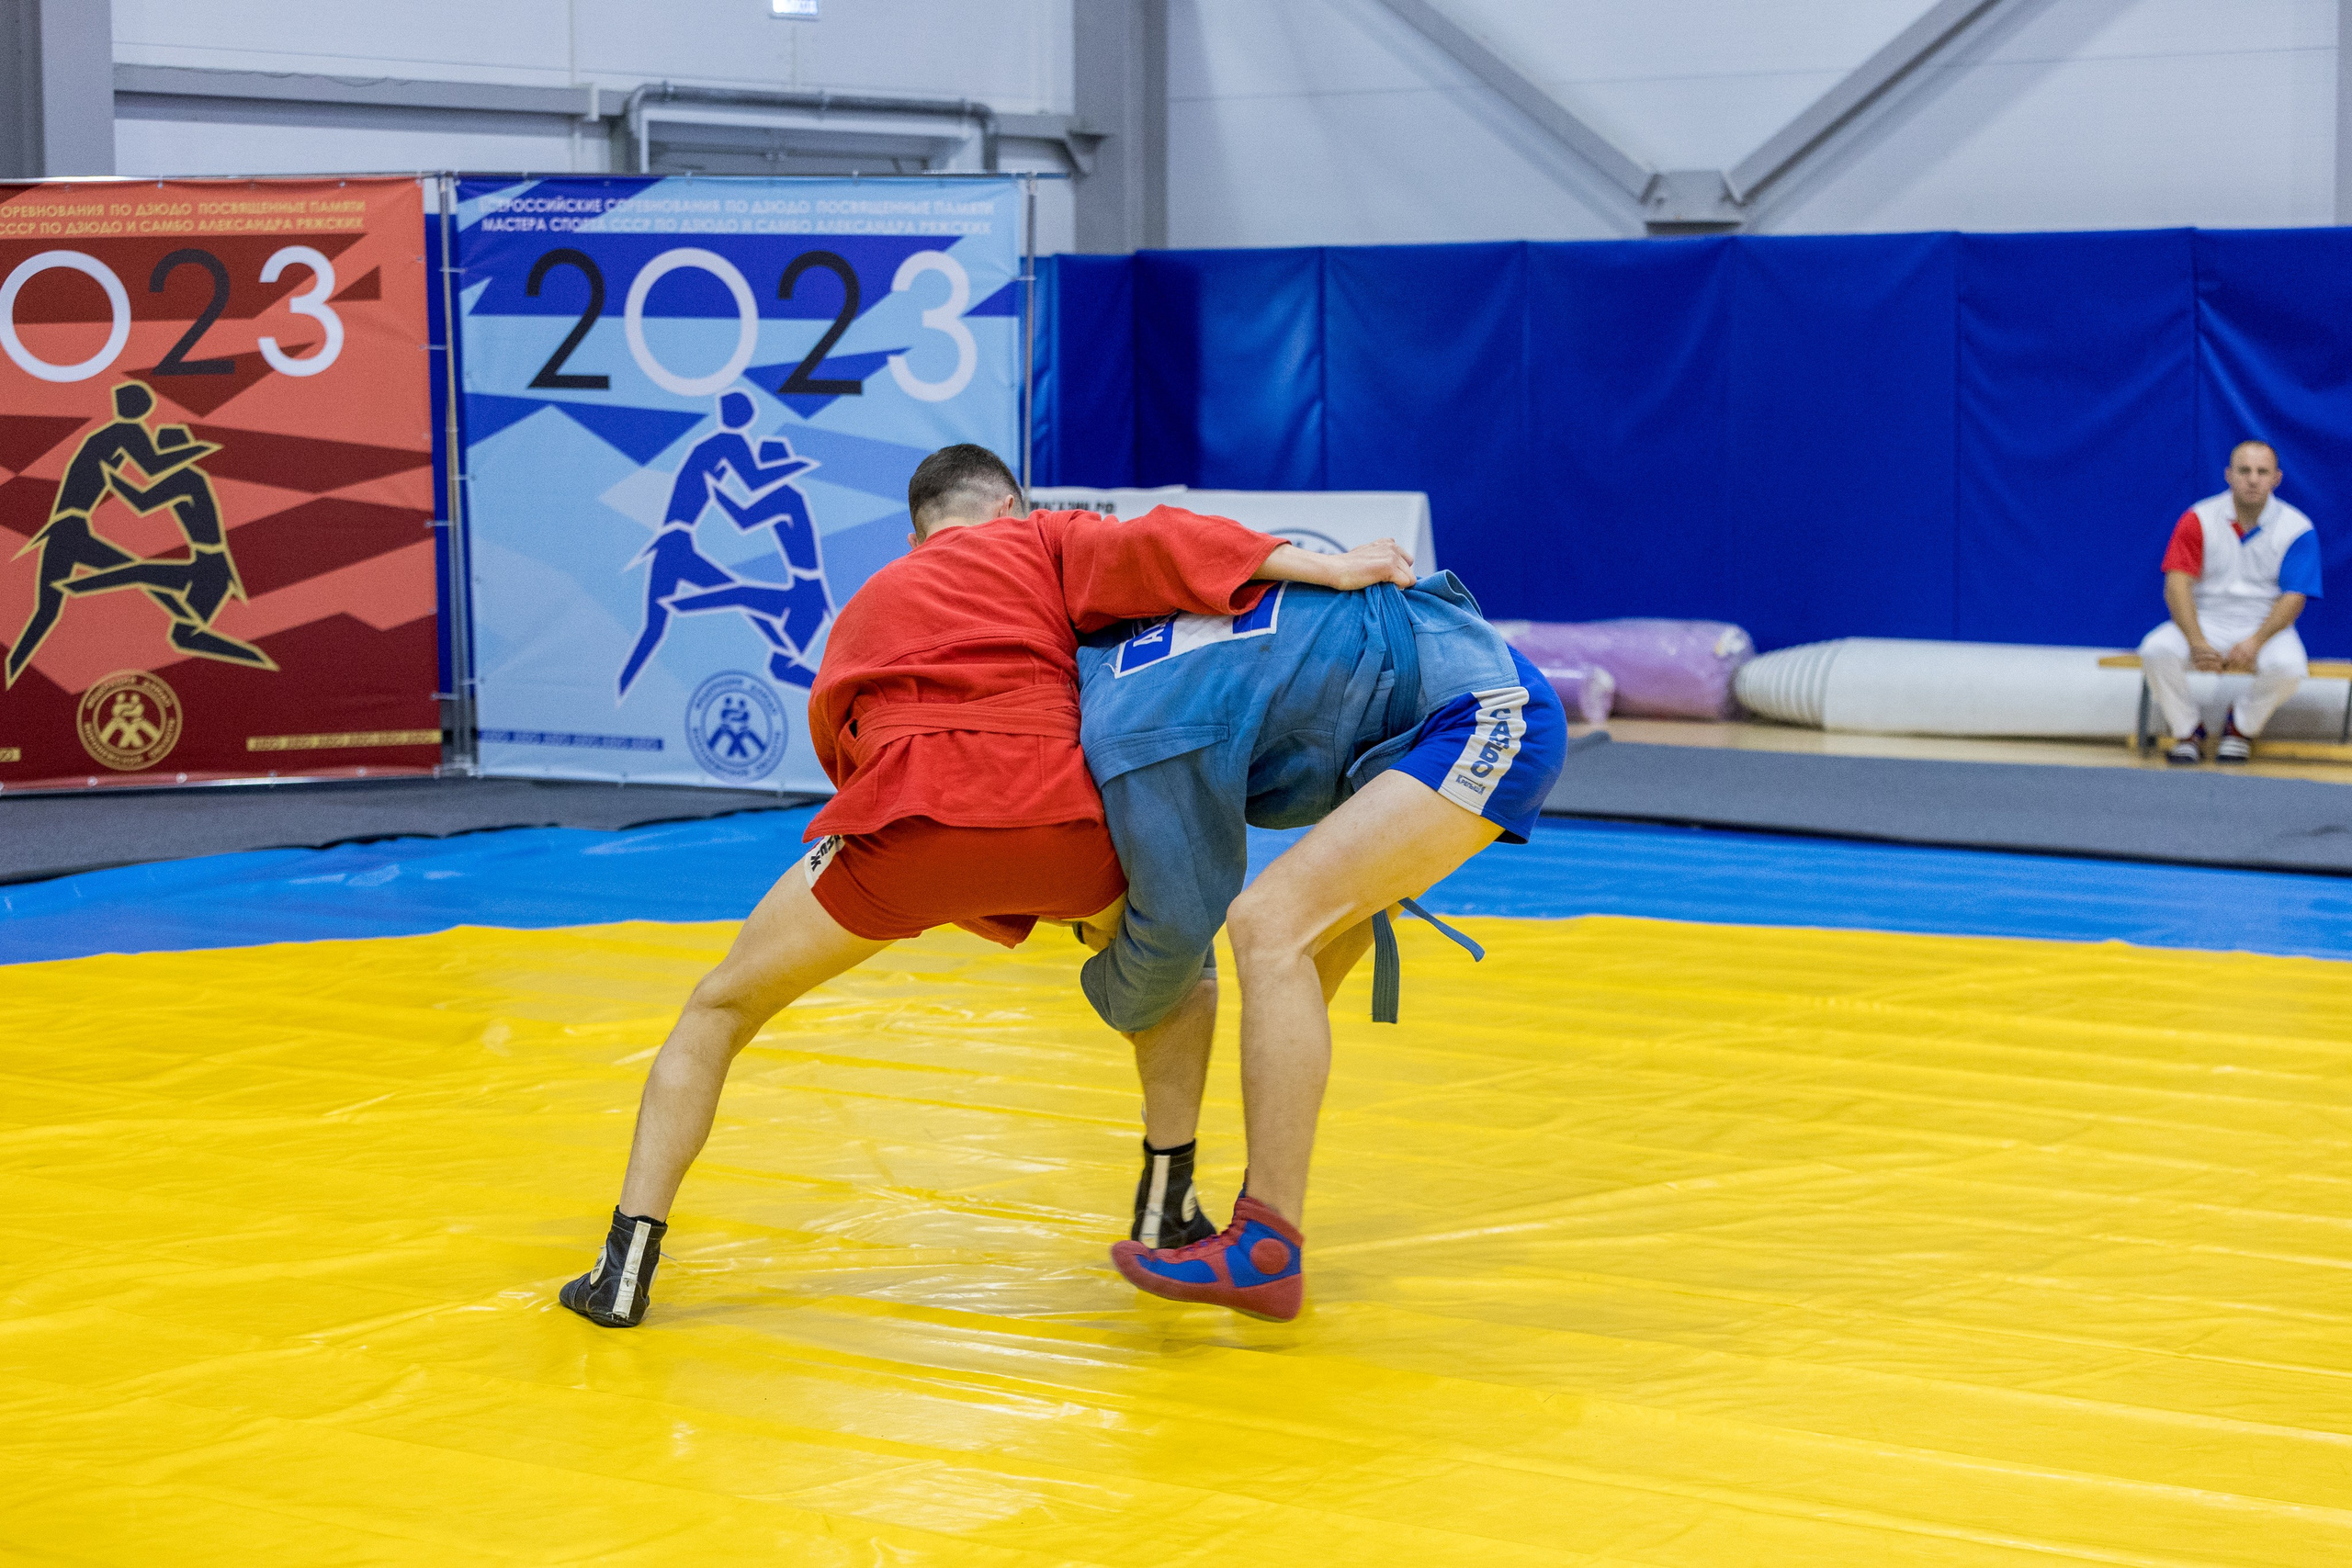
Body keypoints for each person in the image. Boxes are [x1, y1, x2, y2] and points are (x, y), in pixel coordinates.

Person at [558, 443, 1417, 1327]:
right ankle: (1168, 1200)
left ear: (917, 533)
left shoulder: (869, 600)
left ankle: (624, 1267)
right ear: (1009, 505)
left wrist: (937, 863)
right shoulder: (1040, 540)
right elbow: (1167, 544)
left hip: (901, 829)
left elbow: (839, 742)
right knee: (1177, 959)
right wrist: (1332, 565)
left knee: (719, 1009)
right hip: (1064, 832)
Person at [1070, 568, 1569, 1321]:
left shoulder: (1125, 720)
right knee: (1297, 964)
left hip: (1479, 712)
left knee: (1267, 927)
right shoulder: (1132, 644)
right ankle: (1245, 1223)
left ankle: (1265, 1246)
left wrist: (1100, 961)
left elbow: (1173, 932)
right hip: (1434, 707)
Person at [2138, 440, 2322, 764]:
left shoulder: (2298, 528)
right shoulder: (2198, 518)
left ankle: (2239, 727)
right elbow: (2176, 584)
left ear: (2276, 478)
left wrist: (2255, 642)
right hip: (2204, 618)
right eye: (2245, 470)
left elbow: (2293, 598)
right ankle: (2187, 731)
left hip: (2265, 626)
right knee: (2156, 649)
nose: (2253, 479)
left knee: (2290, 668)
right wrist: (2196, 640)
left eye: (2262, 472)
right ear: (2228, 475)